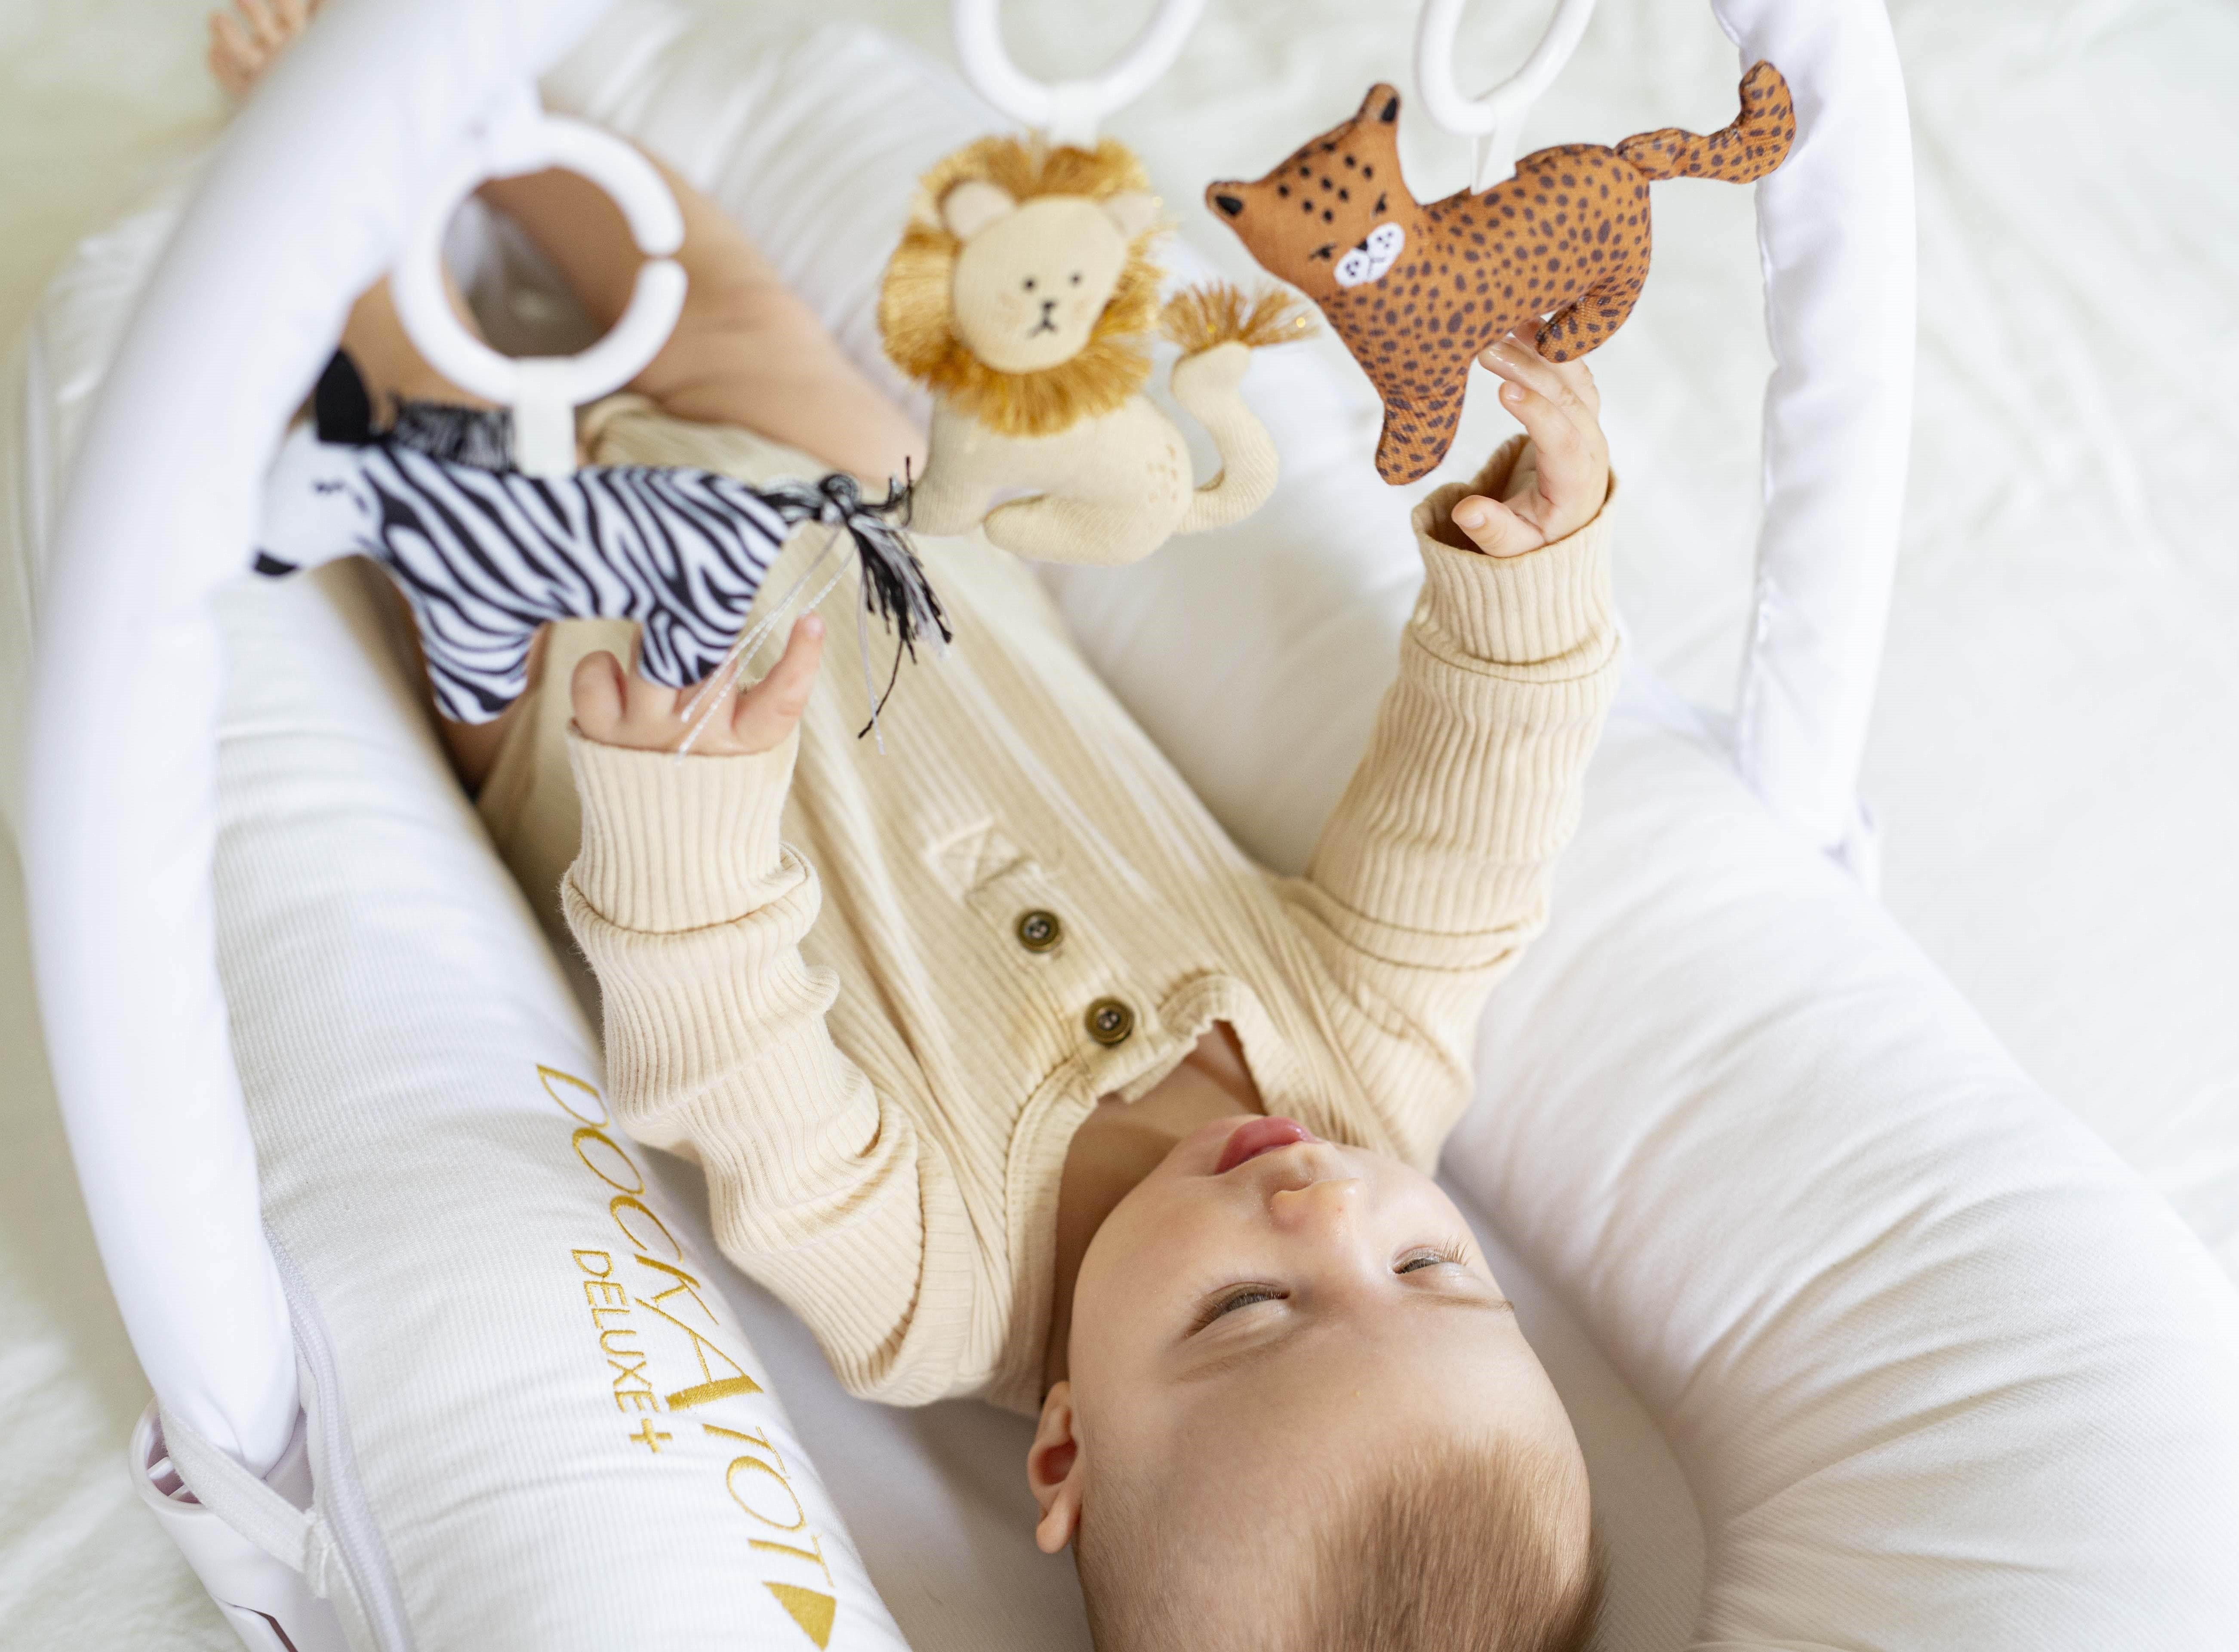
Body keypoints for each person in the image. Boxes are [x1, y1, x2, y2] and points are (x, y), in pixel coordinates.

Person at [217, 5, 1620, 1647]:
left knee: (426, 437)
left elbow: (731, 1063)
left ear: (1070, 1439)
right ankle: (487, 125)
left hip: (602, 710)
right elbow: (1474, 847)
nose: (1328, 1215)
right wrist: (1533, 573)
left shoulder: (928, 1288)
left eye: (1250, 1310)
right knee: (721, 303)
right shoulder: (1375, 1062)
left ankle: (321, 179)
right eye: (1435, 1273)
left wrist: (680, 818)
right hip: (876, 538)